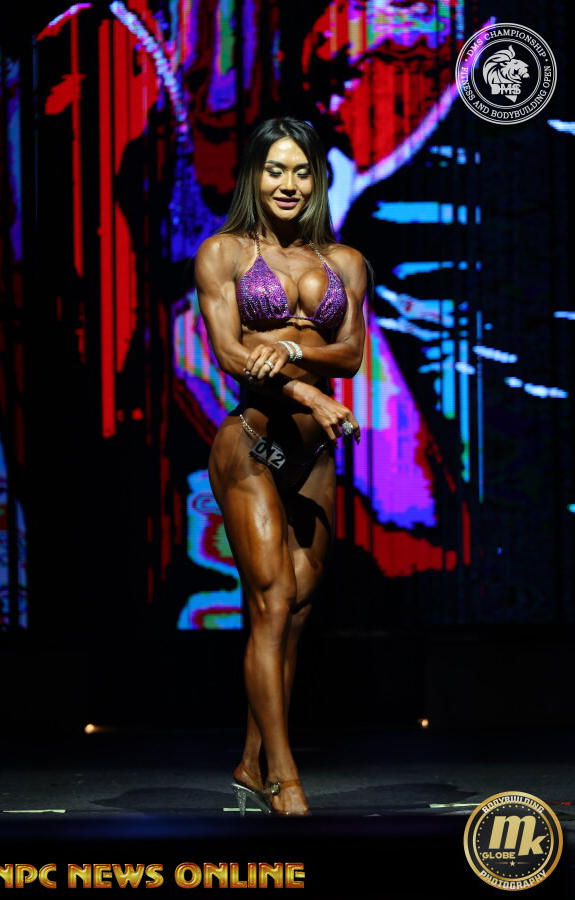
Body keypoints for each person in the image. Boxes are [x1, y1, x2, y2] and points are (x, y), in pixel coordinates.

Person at [195, 117, 367, 816]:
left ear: (317, 180)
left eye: (301, 171)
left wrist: (295, 353)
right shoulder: (225, 253)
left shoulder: (345, 262)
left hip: (314, 455)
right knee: (269, 601)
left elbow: (351, 353)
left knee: (294, 612)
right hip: (252, 444)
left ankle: (250, 761)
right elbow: (231, 353)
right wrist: (305, 392)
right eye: (275, 170)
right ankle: (285, 779)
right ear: (254, 177)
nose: (288, 184)